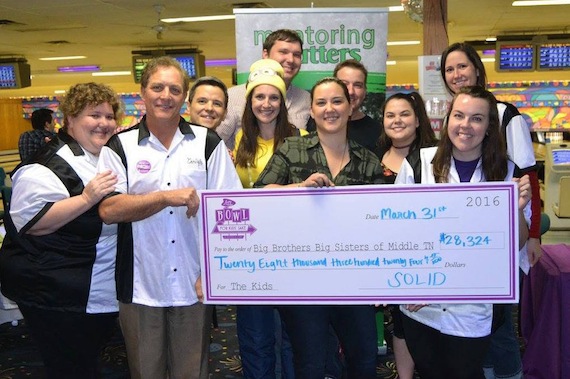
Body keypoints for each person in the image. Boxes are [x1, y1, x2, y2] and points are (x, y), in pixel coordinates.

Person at [97, 56, 242, 379]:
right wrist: (165, 197)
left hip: (194, 283)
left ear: (184, 97)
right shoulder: (119, 146)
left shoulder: (208, 144)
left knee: (192, 372)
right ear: (142, 92)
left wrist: (214, 272)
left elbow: (229, 215)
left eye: (174, 89)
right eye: (157, 87)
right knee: (145, 372)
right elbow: (109, 210)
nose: (166, 95)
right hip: (139, 285)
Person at [395, 86, 531, 379]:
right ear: (447, 120)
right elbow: (398, 233)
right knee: (430, 372)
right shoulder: (418, 166)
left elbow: (516, 243)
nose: (465, 125)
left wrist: (518, 208)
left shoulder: (507, 172)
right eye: (459, 115)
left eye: (477, 118)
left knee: (465, 372)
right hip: (421, 304)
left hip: (472, 309)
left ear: (489, 127)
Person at [255, 77, 387, 379]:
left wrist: (381, 278)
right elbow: (260, 195)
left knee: (364, 359)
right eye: (321, 103)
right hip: (304, 278)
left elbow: (380, 224)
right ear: (311, 111)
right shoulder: (293, 148)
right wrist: (299, 187)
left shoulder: (368, 160)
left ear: (351, 105)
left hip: (354, 279)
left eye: (337, 101)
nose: (330, 109)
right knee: (311, 364)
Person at [0, 82, 122, 378]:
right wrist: (86, 199)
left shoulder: (106, 155)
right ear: (69, 118)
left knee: (89, 359)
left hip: (94, 285)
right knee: (70, 366)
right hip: (53, 289)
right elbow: (34, 224)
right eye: (94, 115)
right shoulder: (43, 165)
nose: (103, 123)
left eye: (109, 116)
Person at [440, 42, 540, 379]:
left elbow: (527, 176)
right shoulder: (446, 126)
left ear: (477, 69)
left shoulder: (506, 113)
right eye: (449, 69)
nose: (456, 74)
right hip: (459, 252)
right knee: (469, 333)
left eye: (462, 67)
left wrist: (534, 232)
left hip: (498, 250)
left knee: (499, 330)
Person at [234, 58, 304, 379]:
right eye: (259, 97)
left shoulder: (300, 138)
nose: (266, 104)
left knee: (294, 335)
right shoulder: (238, 143)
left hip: (292, 250)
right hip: (250, 252)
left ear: (282, 102)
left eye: (273, 97)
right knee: (256, 334)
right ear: (250, 102)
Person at [376, 91, 438, 379]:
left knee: (427, 321)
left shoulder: (435, 158)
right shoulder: (374, 158)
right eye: (390, 115)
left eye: (404, 114)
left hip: (428, 254)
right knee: (399, 320)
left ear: (417, 120)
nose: (397, 120)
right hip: (389, 253)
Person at [217, 29, 311, 150]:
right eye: (283, 52)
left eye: (296, 55)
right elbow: (215, 144)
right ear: (265, 55)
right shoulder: (232, 97)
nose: (291, 60)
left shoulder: (306, 99)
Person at [307, 59, 380, 151]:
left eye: (357, 85)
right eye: (344, 84)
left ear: (365, 91)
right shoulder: (316, 121)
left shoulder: (376, 131)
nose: (350, 91)